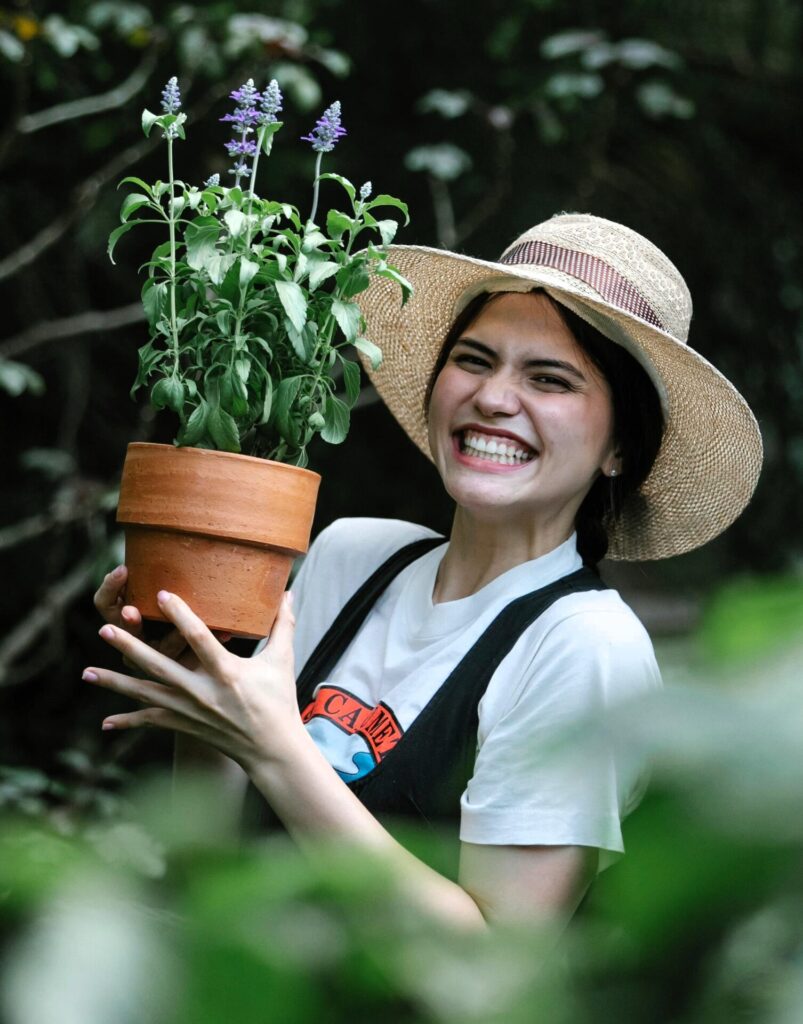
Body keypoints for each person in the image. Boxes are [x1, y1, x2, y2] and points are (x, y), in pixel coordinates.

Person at [88, 213, 762, 931]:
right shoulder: (353, 556)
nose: (494, 398)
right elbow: (212, 862)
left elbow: (497, 966)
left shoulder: (583, 647)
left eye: (549, 378)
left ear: (619, 448)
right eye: (474, 360)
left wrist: (275, 746)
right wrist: (203, 685)